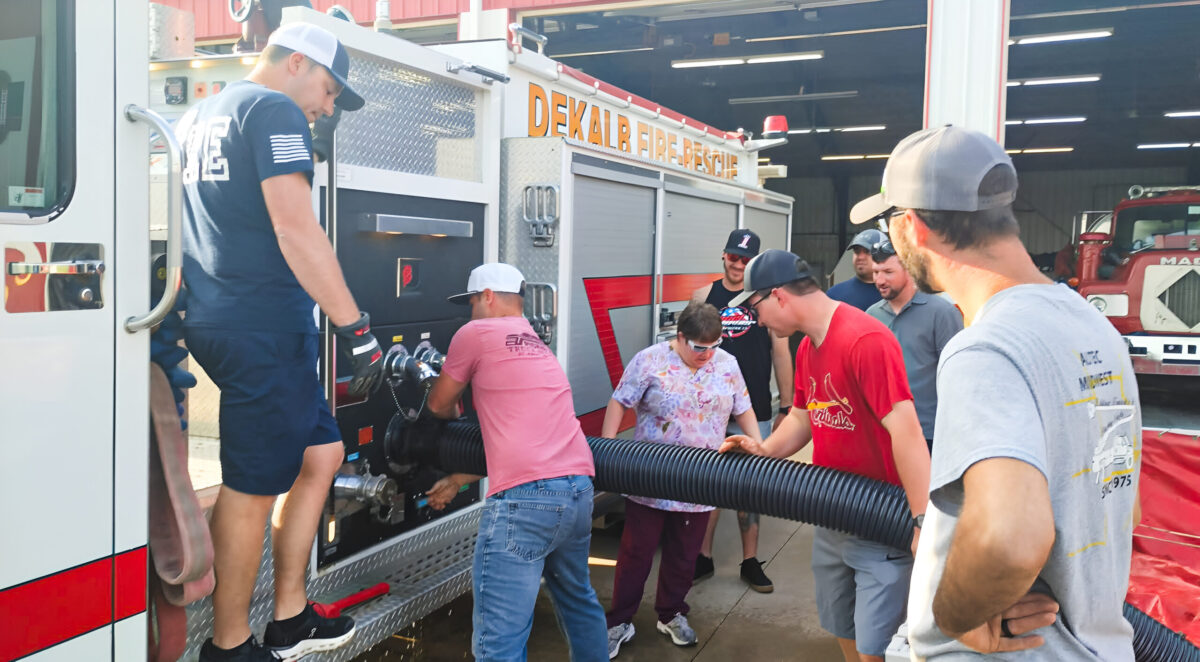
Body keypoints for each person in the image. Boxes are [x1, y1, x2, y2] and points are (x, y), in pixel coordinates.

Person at [849, 125, 1141, 659]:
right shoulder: (1096, 329)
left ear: (912, 228)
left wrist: (955, 616)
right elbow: (1123, 500)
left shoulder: (984, 348)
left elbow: (1010, 538)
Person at [180, 22, 379, 662]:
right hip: (262, 325)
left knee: (322, 452)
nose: (326, 107)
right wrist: (357, 329)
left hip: (224, 317)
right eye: (327, 90)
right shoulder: (272, 110)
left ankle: (289, 616)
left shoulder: (201, 114)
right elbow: (297, 230)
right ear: (295, 63)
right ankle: (231, 644)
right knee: (252, 485)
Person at [718, 249, 930, 662]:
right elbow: (803, 416)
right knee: (842, 626)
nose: (757, 321)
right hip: (833, 515)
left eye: (757, 308)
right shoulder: (808, 349)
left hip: (880, 522)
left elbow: (907, 433)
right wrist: (763, 449)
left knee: (878, 645)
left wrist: (922, 523)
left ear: (778, 296)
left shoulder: (864, 340)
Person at [426, 262, 608, 662]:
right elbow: (527, 441)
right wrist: (459, 477)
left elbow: (439, 403)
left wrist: (441, 407)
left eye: (472, 301)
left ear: (487, 296)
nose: (470, 311)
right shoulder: (535, 340)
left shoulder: (474, 333)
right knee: (579, 604)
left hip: (525, 505)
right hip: (577, 492)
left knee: (499, 641)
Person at [602, 301, 762, 659]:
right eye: (699, 347)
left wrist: (760, 450)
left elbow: (743, 407)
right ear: (680, 337)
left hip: (699, 480)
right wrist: (608, 448)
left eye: (714, 346)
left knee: (684, 553)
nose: (707, 354)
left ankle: (671, 612)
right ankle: (619, 621)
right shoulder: (650, 360)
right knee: (636, 553)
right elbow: (620, 401)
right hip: (651, 479)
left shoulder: (727, 365)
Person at [691, 229, 794, 593]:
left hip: (756, 409)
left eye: (746, 259)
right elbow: (689, 348)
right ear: (723, 256)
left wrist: (787, 404)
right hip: (710, 410)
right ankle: (702, 557)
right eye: (734, 257)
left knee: (748, 488)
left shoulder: (764, 298)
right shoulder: (704, 296)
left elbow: (781, 353)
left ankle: (750, 561)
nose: (738, 265)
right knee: (706, 485)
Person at [865, 237, 963, 450]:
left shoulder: (942, 313)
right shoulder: (871, 316)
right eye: (875, 272)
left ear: (909, 269)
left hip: (929, 434)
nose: (880, 280)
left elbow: (958, 377)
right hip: (883, 432)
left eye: (888, 272)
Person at [826, 229, 885, 310]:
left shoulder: (895, 295)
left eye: (867, 251)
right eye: (857, 251)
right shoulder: (834, 295)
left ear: (884, 254)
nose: (860, 257)